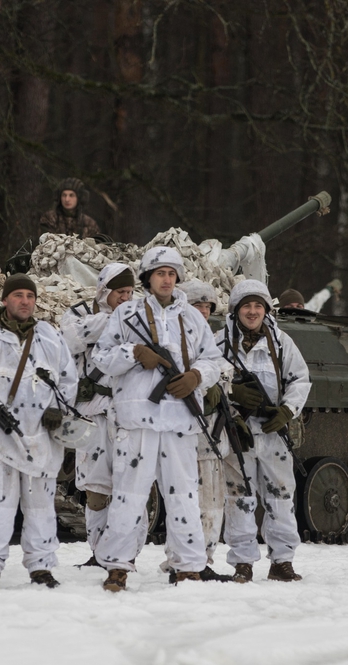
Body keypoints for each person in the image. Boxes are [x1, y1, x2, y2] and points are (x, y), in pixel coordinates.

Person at [90, 247, 223, 592]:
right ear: (148, 278)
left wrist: (196, 377)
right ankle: (117, 565)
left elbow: (213, 359)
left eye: (171, 273)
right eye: (159, 273)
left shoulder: (192, 318)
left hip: (179, 419)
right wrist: (133, 353)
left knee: (183, 495)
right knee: (129, 495)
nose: (166, 279)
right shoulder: (126, 314)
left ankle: (189, 565)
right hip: (137, 418)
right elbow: (101, 357)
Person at [0, 274, 78, 589]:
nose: (25, 301)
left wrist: (59, 411)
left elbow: (68, 379)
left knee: (41, 510)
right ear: (6, 300)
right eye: (18, 295)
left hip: (41, 441)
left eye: (29, 296)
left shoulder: (50, 337)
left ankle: (41, 567)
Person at [218, 278, 311, 583]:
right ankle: (242, 561)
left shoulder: (281, 342)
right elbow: (208, 378)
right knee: (239, 496)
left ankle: (282, 560)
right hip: (237, 430)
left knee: (281, 496)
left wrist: (287, 411)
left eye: (258, 305)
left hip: (273, 431)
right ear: (237, 310)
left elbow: (299, 379)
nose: (253, 311)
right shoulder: (220, 343)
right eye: (247, 306)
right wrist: (232, 395)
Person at [57, 263, 138, 565]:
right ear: (105, 291)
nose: (126, 298)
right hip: (90, 414)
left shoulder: (138, 315)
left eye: (130, 292)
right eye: (120, 292)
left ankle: (124, 552)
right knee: (95, 490)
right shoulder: (78, 314)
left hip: (125, 413)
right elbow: (71, 338)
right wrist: (116, 320)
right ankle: (97, 551)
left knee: (128, 488)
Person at [159, 279, 233, 581]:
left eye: (207, 306)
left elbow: (225, 372)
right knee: (187, 499)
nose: (202, 311)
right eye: (196, 305)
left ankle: (202, 559)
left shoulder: (212, 341)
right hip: (183, 428)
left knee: (213, 501)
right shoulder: (173, 340)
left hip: (212, 431)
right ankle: (186, 561)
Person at [277, 278, 342, 313]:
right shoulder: (273, 324)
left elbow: (316, 302)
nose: (295, 310)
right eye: (290, 307)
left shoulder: (305, 316)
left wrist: (328, 290)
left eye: (298, 307)